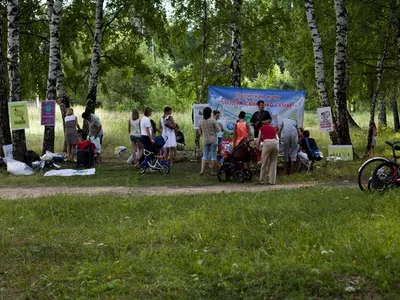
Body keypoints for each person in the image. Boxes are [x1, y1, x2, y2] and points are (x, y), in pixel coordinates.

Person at [198, 107, 220, 175]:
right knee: (213, 155)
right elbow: (218, 130)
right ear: (210, 113)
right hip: (213, 140)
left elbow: (200, 133)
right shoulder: (213, 120)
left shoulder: (200, 121)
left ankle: (202, 170)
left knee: (204, 155)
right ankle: (212, 171)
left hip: (205, 140)